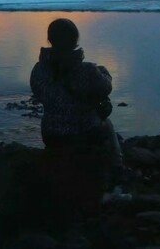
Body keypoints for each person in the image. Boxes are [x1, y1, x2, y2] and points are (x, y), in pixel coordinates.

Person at [30, 18, 120, 162]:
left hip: (51, 135)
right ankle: (118, 165)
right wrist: (102, 71)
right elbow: (106, 87)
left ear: (50, 39)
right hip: (84, 133)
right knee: (107, 123)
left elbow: (38, 93)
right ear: (75, 40)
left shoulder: (39, 70)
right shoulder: (88, 70)